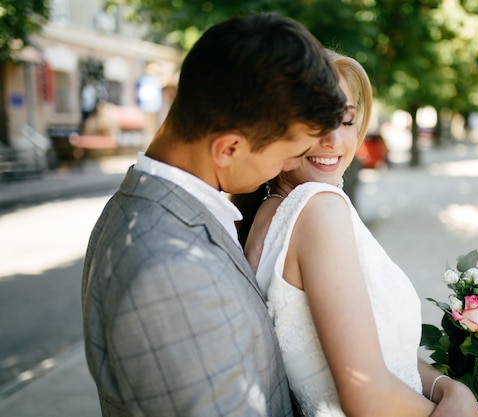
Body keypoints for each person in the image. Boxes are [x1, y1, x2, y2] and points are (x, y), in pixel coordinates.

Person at [81, 13, 346, 417]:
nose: (292, 165)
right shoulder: (168, 274)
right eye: (286, 153)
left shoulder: (161, 208)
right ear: (228, 149)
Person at [232, 50, 478, 417]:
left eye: (346, 121)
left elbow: (378, 355)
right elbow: (365, 397)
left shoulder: (271, 209)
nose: (334, 140)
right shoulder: (319, 208)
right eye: (315, 121)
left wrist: (443, 386)